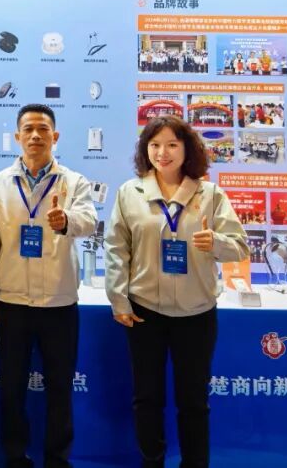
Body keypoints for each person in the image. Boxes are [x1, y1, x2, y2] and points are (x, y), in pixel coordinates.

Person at [104, 115, 248, 468]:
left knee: (194, 401)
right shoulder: (130, 193)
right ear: (145, 150)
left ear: (187, 149)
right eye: (154, 145)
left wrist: (216, 242)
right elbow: (117, 249)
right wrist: (119, 299)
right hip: (144, 312)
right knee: (147, 399)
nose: (162, 153)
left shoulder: (209, 195)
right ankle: (151, 462)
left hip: (196, 313)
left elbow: (240, 246)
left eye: (171, 144)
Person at [0, 104, 97, 468]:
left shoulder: (74, 182)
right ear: (17, 136)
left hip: (58, 302)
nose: (36, 135)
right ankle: (15, 457)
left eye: (43, 129)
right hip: (12, 301)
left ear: (55, 136)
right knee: (12, 388)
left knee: (60, 388)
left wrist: (66, 220)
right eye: (29, 129)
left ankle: (57, 459)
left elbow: (88, 220)